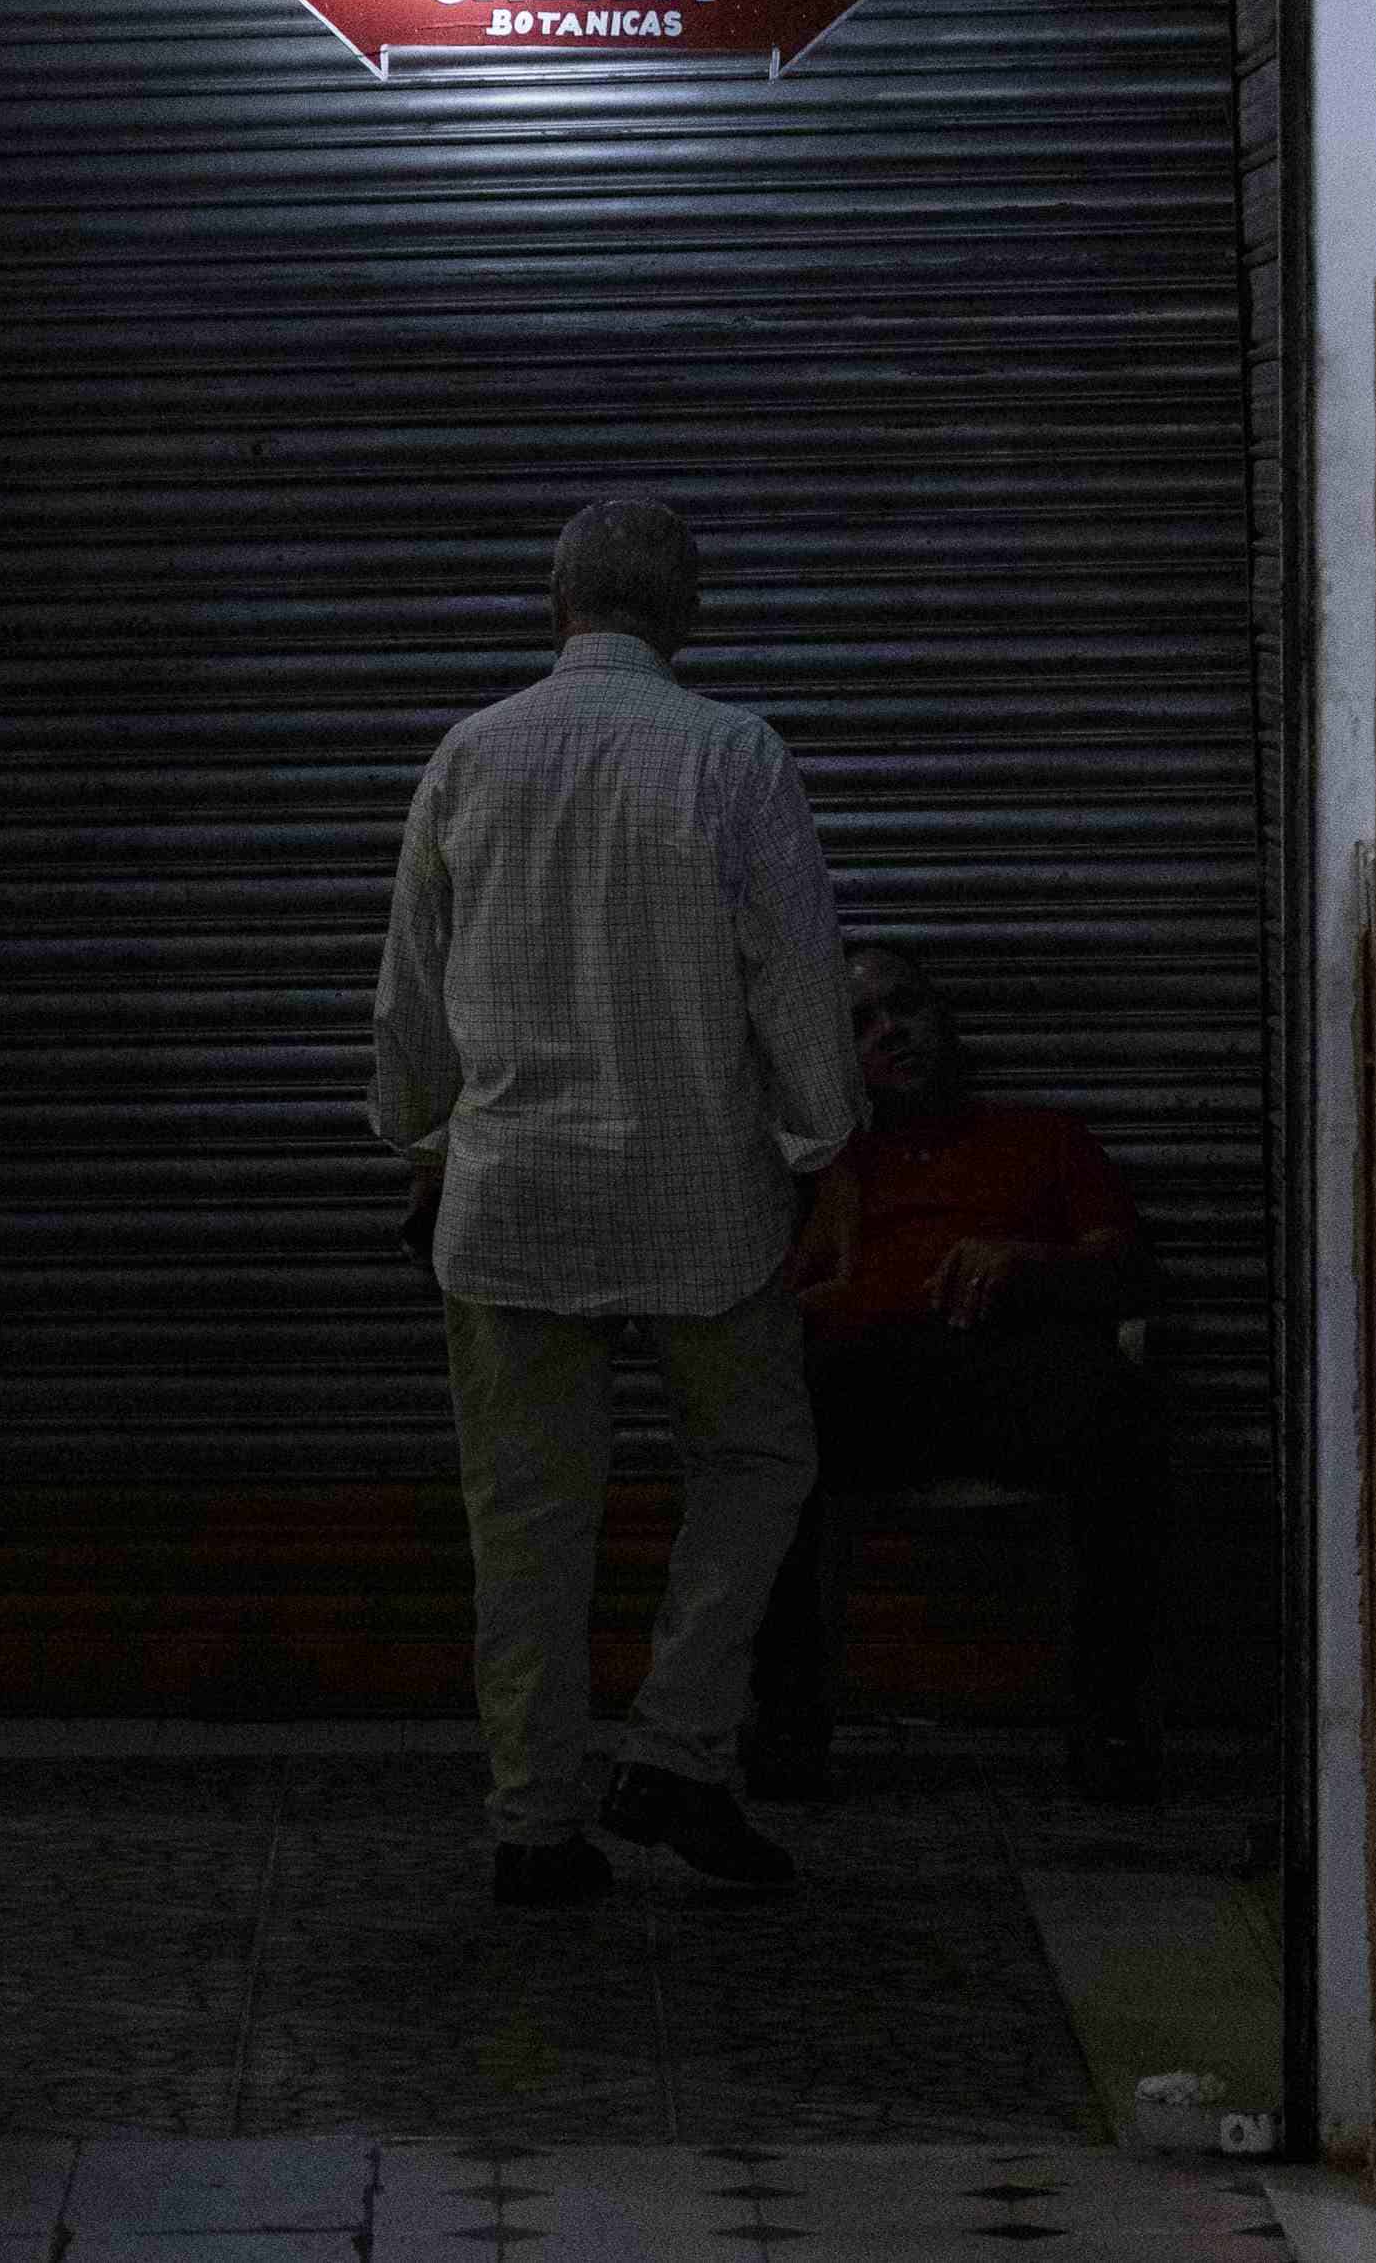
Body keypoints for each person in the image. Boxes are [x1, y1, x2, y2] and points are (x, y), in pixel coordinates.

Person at [372, 499, 865, 1907]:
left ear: (556, 604)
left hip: (511, 1197)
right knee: (758, 1459)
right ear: (686, 614)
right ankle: (678, 1747)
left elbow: (411, 986)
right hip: (702, 1190)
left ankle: (534, 1821)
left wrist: (417, 1141)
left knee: (525, 1515)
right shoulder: (735, 754)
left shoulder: (470, 753)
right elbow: (797, 974)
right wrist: (825, 1148)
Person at [745, 944, 1170, 1806]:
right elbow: (776, 1301)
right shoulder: (830, 1173)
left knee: (1125, 1416)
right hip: (876, 1384)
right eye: (861, 1024)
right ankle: (787, 1721)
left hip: (1012, 1369)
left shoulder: (1045, 1140)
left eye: (905, 1007)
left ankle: (1109, 1722)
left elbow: (1126, 1276)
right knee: (763, 1439)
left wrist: (1024, 1263)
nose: (890, 1031)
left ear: (945, 1021)